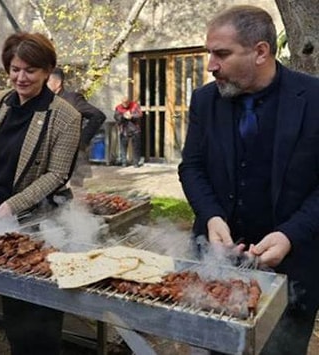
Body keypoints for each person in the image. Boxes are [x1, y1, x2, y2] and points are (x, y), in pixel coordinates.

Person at [178, 5, 319, 355]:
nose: (211, 65)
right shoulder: (205, 100)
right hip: (215, 265)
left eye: (221, 54)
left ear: (260, 52)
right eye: (209, 53)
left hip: (294, 268)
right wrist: (211, 216)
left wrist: (290, 234)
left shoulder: (314, 99)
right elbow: (191, 167)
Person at [0, 32, 81, 355]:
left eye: (30, 70)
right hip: (0, 214)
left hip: (44, 220)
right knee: (13, 301)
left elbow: (57, 174)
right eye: (15, 69)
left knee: (41, 306)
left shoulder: (65, 116)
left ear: (47, 71)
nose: (21, 77)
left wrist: (13, 204)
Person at [47, 67, 105, 187]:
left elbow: (98, 116)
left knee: (75, 188)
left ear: (58, 83)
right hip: (51, 152)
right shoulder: (46, 101)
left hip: (73, 152)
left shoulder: (72, 99)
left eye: (47, 81)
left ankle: (77, 205)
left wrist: (82, 140)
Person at [113, 96, 143, 167]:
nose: (125, 104)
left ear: (129, 101)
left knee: (136, 147)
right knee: (123, 147)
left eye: (127, 102)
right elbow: (116, 117)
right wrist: (123, 116)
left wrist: (132, 116)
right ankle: (124, 162)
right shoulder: (118, 108)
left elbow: (139, 114)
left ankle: (136, 162)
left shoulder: (135, 105)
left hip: (135, 129)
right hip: (124, 130)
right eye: (124, 103)